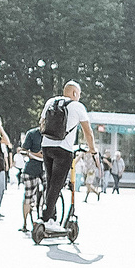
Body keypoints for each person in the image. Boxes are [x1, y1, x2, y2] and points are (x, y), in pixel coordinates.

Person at [37, 80, 95, 231]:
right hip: (63, 149)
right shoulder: (77, 106)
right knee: (57, 184)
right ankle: (46, 218)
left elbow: (41, 123)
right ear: (75, 93)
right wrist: (92, 149)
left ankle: (52, 217)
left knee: (50, 182)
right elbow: (87, 131)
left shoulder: (51, 102)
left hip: (47, 146)